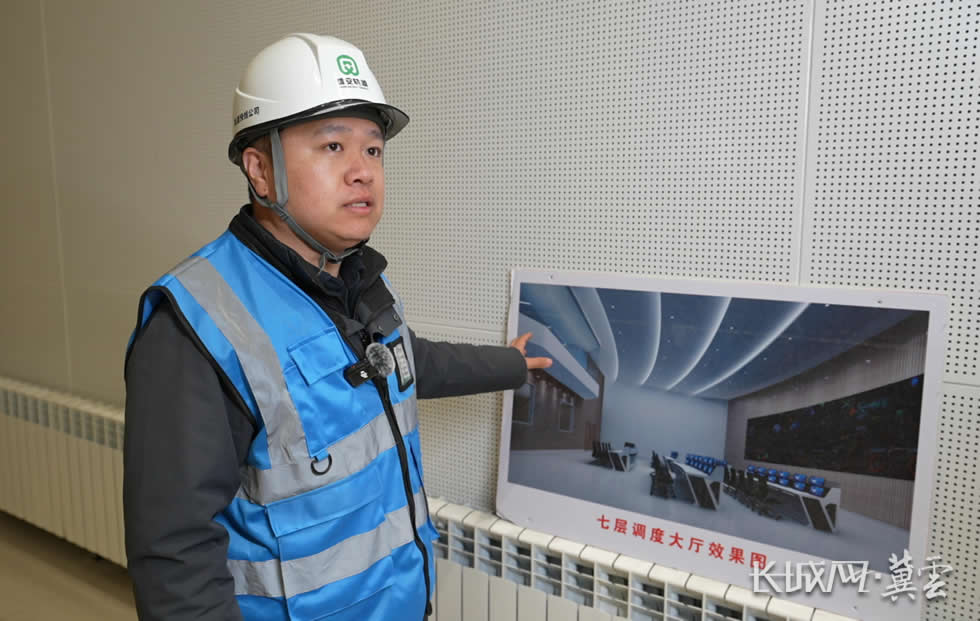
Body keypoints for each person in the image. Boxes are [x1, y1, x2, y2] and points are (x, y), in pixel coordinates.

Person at [123, 33, 551, 621]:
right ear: (261, 170)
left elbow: (405, 362)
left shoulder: (356, 280)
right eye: (332, 146)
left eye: (373, 149)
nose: (362, 172)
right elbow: (176, 557)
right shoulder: (197, 325)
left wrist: (511, 364)